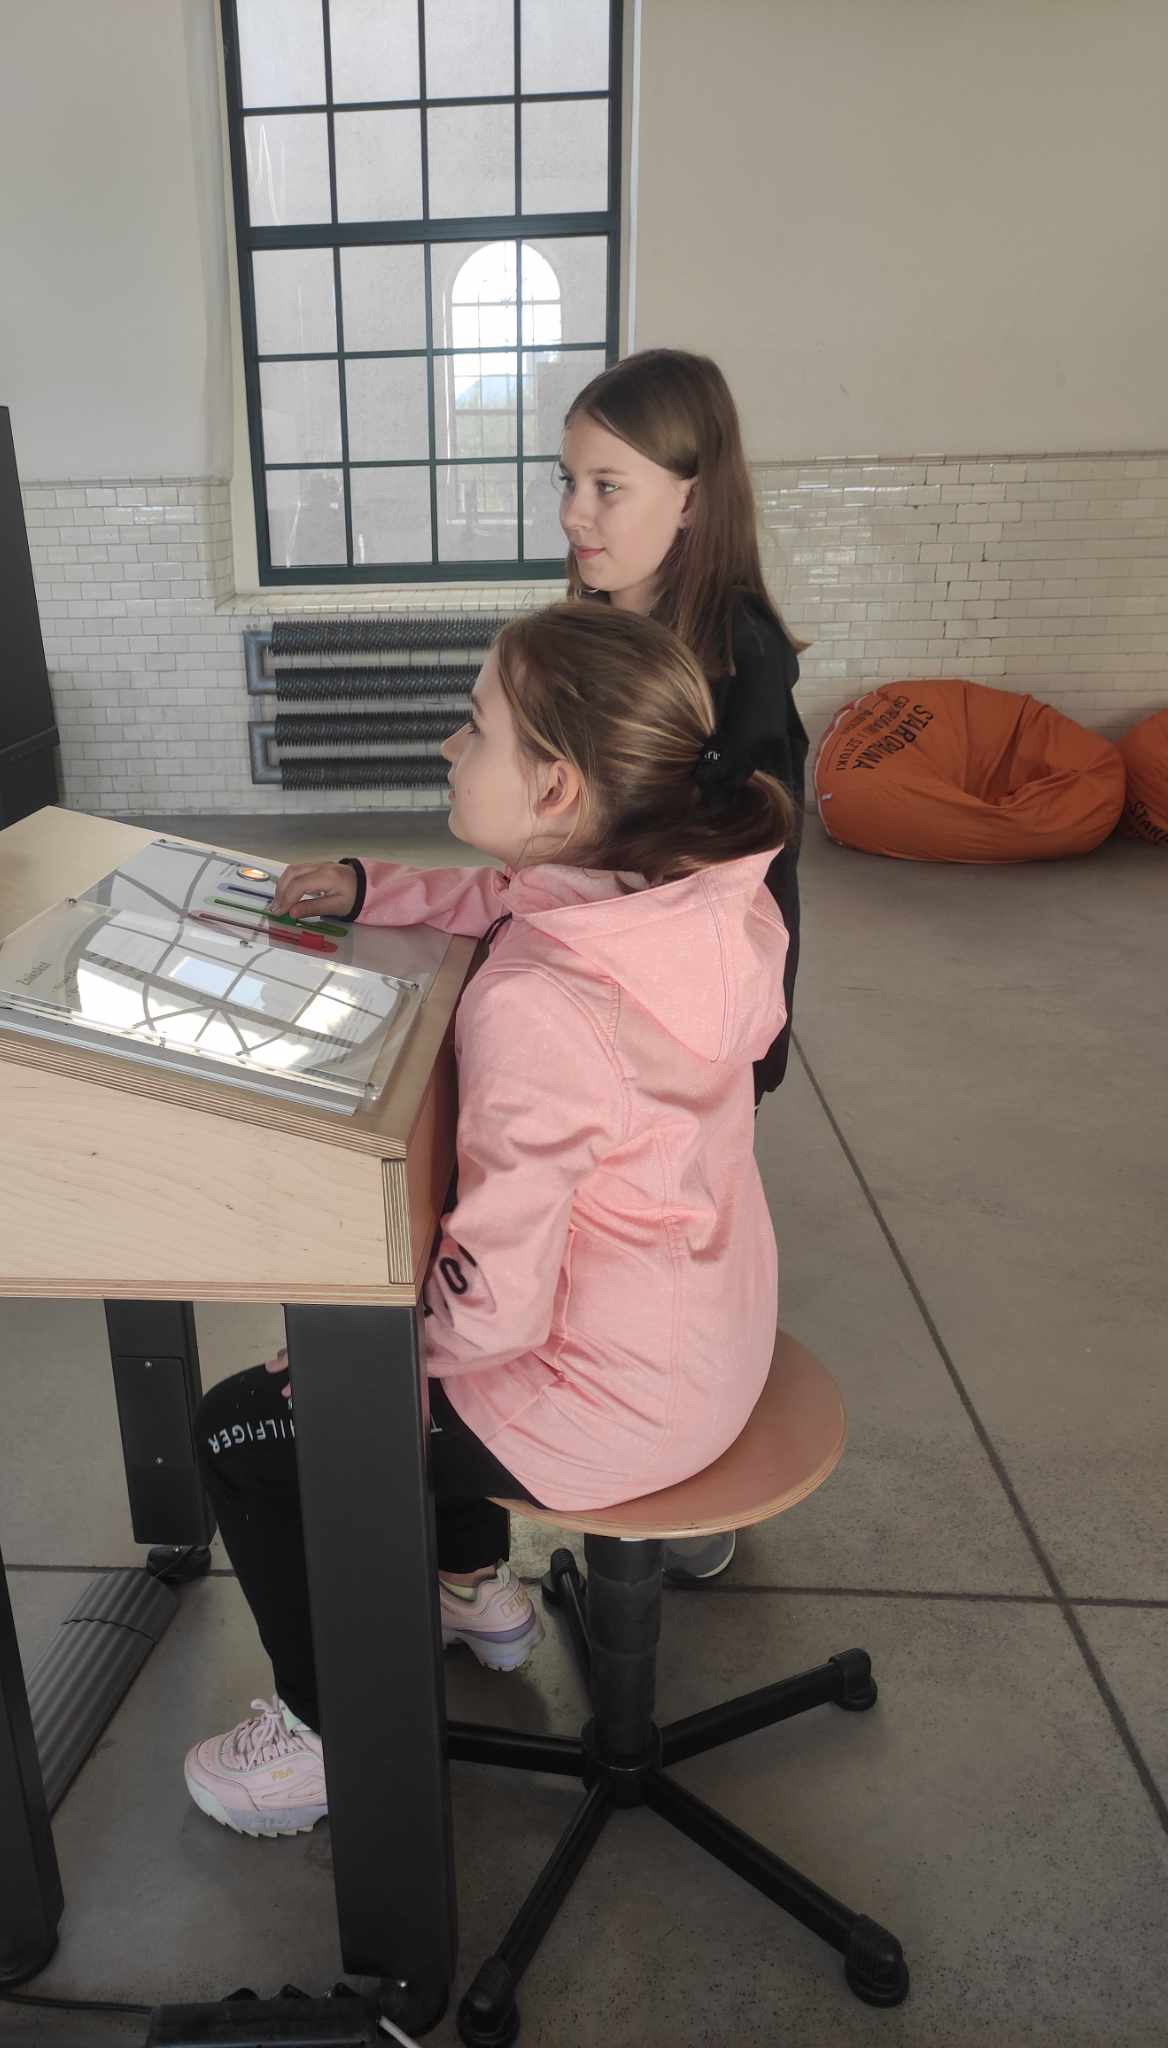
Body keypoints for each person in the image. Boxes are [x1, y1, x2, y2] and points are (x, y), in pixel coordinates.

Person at [182, 601, 794, 1839]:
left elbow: (495, 1310)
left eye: (474, 726)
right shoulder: (679, 905)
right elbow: (507, 897)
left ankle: (327, 1731)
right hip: (705, 1346)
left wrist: (361, 1359)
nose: (448, 746)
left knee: (250, 1422)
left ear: (555, 785)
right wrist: (373, 885)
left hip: (606, 1408)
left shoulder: (540, 1003)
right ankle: (471, 1588)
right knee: (431, 1287)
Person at [557, 347, 811, 1583]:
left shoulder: (737, 660)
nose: (574, 514)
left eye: (607, 486)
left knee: (682, 1241)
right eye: (566, 482)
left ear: (693, 497)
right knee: (617, 1242)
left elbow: (717, 867)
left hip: (698, 1010)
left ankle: (688, 1483)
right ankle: (638, 1428)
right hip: (614, 992)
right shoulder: (604, 624)